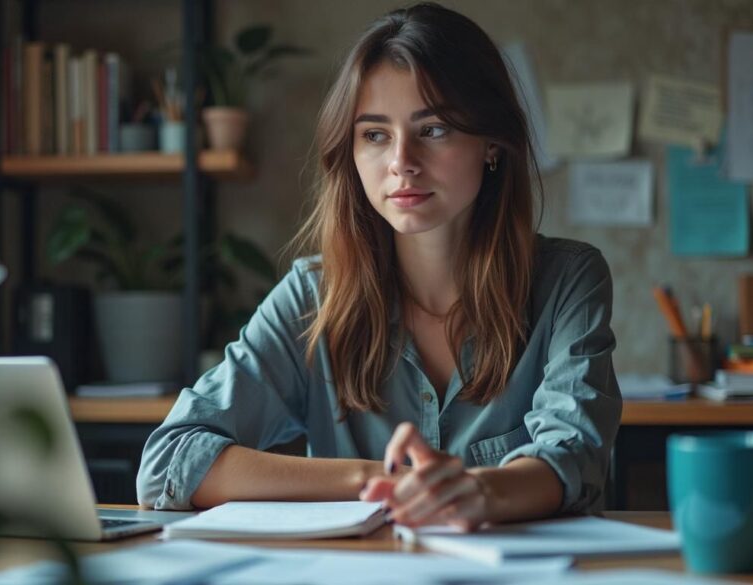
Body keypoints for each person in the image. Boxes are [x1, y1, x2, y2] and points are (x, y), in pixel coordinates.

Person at [137, 2, 620, 531]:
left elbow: (576, 455)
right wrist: (378, 480)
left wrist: (476, 491)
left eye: (432, 129)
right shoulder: (312, 296)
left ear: (493, 146)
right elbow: (169, 463)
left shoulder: (568, 280)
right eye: (375, 134)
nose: (401, 162)